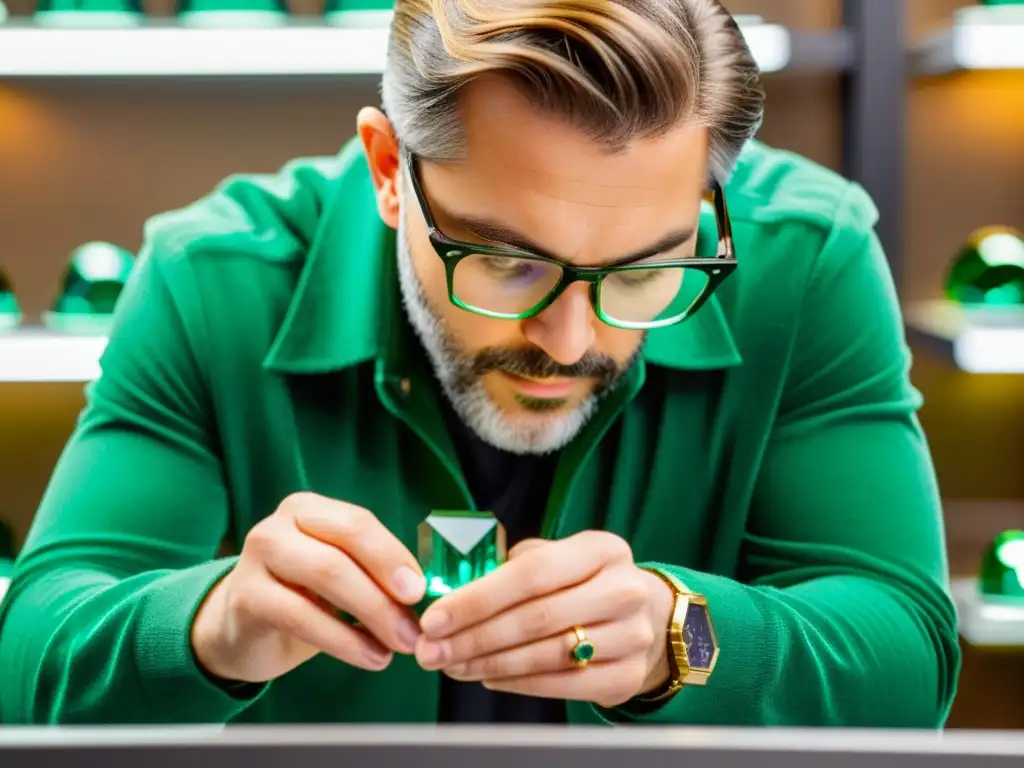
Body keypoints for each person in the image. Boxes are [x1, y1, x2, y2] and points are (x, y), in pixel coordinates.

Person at [0, 0, 959, 727]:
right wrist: (210, 626)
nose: (574, 341)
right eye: (507, 261)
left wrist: (684, 635)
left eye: (645, 270)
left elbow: (908, 658)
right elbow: (28, 656)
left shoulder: (808, 256)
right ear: (388, 171)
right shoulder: (212, 278)